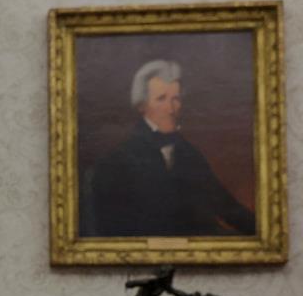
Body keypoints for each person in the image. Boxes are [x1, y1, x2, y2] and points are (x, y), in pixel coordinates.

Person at [82, 59, 255, 238]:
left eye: (176, 99)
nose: (171, 109)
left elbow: (225, 205)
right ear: (142, 105)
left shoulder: (189, 154)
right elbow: (111, 231)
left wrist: (264, 233)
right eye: (161, 99)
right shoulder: (115, 163)